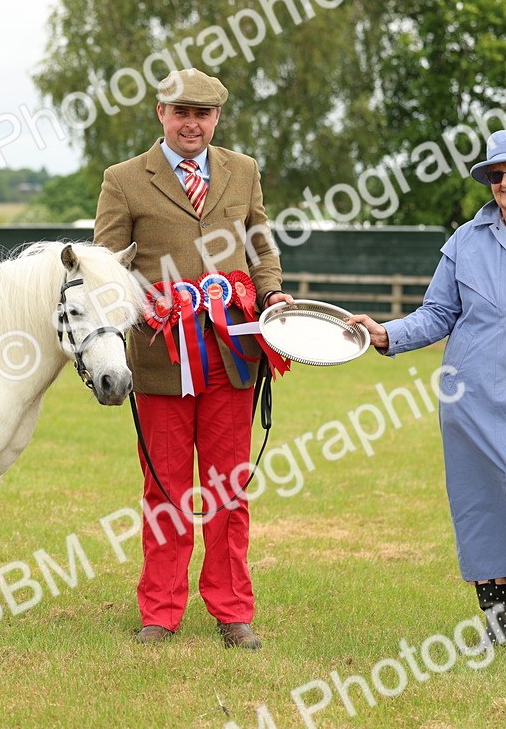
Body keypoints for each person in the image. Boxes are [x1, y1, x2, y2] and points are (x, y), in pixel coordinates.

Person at [347, 128, 506, 671]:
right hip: (468, 402)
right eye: (496, 174)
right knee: (482, 510)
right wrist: (386, 334)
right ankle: (497, 629)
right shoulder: (465, 241)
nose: (505, 183)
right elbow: (438, 314)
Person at [94, 68, 293, 650]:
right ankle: (160, 612)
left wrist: (273, 291)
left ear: (217, 119)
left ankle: (233, 610)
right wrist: (143, 302)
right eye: (181, 112)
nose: (192, 123)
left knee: (229, 490)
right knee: (166, 492)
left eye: (203, 114)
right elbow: (105, 266)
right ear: (160, 113)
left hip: (233, 356)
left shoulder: (244, 171)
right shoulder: (124, 180)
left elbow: (259, 242)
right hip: (160, 360)